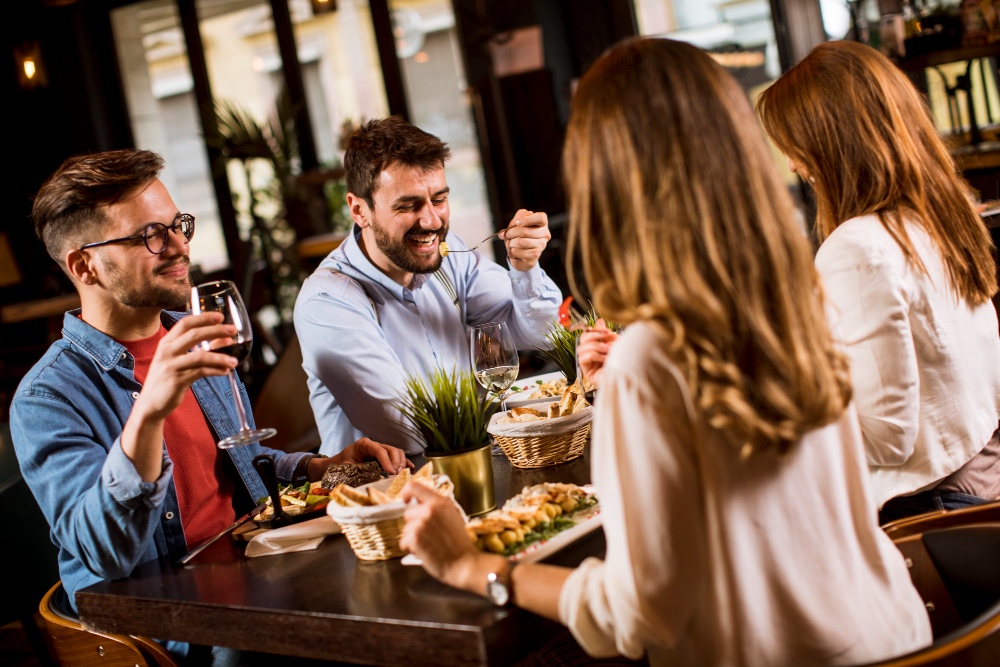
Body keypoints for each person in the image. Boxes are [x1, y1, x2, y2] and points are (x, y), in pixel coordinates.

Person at [397, 38, 932, 666]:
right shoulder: (797, 300)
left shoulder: (653, 359)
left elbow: (639, 612)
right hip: (897, 637)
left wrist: (473, 566)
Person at [9, 150, 408, 636]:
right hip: (170, 622)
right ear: (85, 266)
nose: (179, 246)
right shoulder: (47, 399)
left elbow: (237, 461)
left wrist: (317, 468)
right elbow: (108, 555)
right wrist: (148, 413)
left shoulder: (195, 335)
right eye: (150, 235)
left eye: (177, 226)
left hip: (256, 570)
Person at [756, 41, 1000, 524]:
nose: (793, 166)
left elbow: (885, 438)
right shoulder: (937, 216)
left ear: (832, 142)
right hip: (982, 477)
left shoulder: (857, 246)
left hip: (928, 508)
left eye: (795, 146)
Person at [294, 118, 562, 456]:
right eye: (408, 206)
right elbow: (406, 431)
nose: (432, 221)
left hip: (475, 460)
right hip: (393, 485)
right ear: (360, 210)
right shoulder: (328, 301)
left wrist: (525, 268)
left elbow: (542, 335)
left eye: (439, 199)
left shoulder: (449, 257)